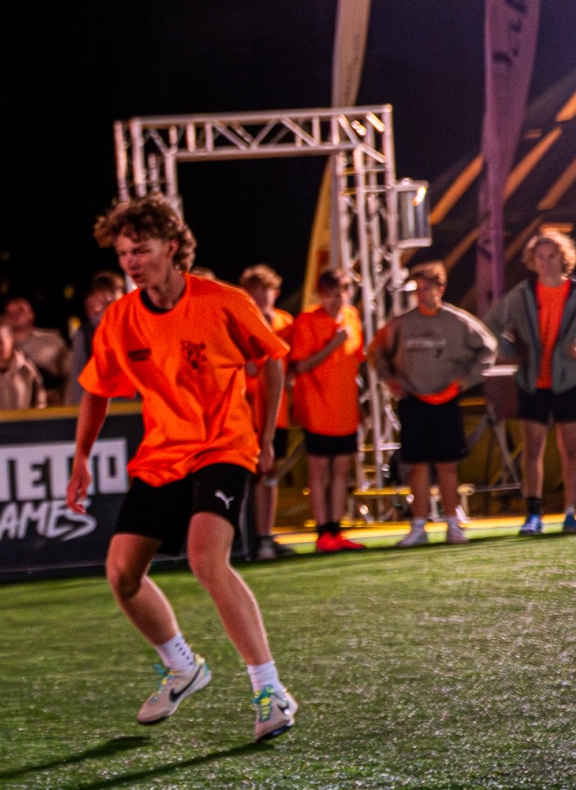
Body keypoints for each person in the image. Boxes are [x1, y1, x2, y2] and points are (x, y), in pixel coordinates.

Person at [65, 195, 297, 743]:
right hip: (162, 454)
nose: (131, 262)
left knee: (205, 559)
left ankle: (270, 691)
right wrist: (81, 458)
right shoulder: (120, 318)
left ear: (172, 247)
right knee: (122, 575)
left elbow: (272, 361)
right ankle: (182, 666)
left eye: (141, 250)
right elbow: (97, 390)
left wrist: (265, 436)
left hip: (223, 446)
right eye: (124, 253)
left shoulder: (223, 301)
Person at [492, 227, 576, 534]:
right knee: (532, 448)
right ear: (532, 261)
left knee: (570, 448)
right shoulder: (523, 293)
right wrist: (509, 351)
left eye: (552, 256)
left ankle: (570, 513)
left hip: (569, 380)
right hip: (532, 381)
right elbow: (491, 324)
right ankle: (534, 514)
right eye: (541, 257)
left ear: (564, 258)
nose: (546, 262)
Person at [369, 259, 495, 547]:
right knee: (416, 465)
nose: (422, 294)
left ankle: (452, 524)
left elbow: (488, 348)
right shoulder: (401, 323)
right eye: (418, 289)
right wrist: (389, 379)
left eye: (428, 288)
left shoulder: (458, 321)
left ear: (441, 288)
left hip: (446, 399)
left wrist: (465, 381)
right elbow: (376, 351)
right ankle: (418, 526)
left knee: (447, 465)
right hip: (413, 401)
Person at [286, 269, 366, 551]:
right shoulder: (307, 320)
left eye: (341, 294)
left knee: (342, 471)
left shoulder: (352, 316)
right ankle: (322, 533)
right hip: (318, 411)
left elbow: (355, 361)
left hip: (345, 411)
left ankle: (336, 529)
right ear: (321, 295)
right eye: (330, 294)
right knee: (320, 472)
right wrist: (332, 345)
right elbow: (300, 365)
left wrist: (359, 405)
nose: (336, 300)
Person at [233, 266, 294, 558]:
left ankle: (265, 536)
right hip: (245, 413)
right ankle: (241, 540)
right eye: (253, 291)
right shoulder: (239, 321)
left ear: (275, 292)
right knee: (245, 475)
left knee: (270, 474)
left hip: (275, 412)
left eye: (264, 290)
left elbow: (290, 365)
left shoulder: (285, 322)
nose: (259, 296)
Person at [2, 296, 70, 402]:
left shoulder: (52, 341)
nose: (14, 315)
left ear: (31, 314)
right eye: (9, 312)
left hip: (51, 405)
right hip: (12, 406)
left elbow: (69, 375)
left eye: (20, 310)